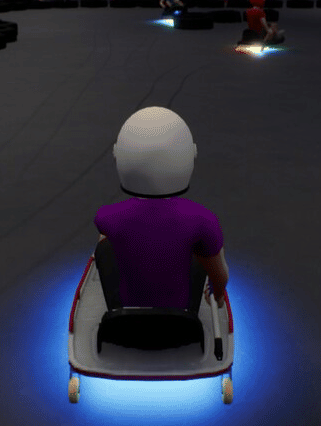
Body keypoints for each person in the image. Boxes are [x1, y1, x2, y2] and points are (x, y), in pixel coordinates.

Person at [93, 107, 229, 309]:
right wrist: (218, 296)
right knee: (204, 249)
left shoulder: (106, 216)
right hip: (182, 322)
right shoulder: (204, 219)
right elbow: (220, 278)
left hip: (126, 322)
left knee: (105, 244)